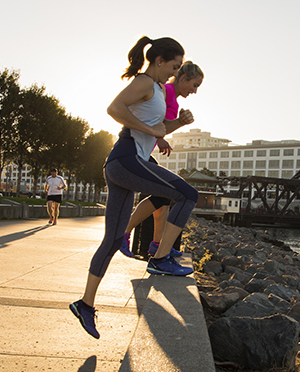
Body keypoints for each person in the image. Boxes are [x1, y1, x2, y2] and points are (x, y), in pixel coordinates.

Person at [69, 36, 199, 339]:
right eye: (175, 66)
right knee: (187, 194)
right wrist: (148, 128)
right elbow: (114, 108)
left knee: (113, 239)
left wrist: (178, 123)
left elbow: (157, 129)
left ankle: (85, 304)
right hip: (126, 158)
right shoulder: (144, 82)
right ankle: (161, 259)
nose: (175, 73)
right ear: (159, 61)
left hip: (123, 164)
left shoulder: (155, 89)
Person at [119, 61, 204, 258]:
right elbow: (150, 116)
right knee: (169, 194)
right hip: (135, 150)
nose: (195, 91)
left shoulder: (174, 101)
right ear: (183, 78)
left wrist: (178, 123)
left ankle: (157, 244)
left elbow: (163, 125)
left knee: (163, 198)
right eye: (194, 85)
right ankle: (125, 233)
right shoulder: (164, 91)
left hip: (144, 151)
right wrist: (159, 137)